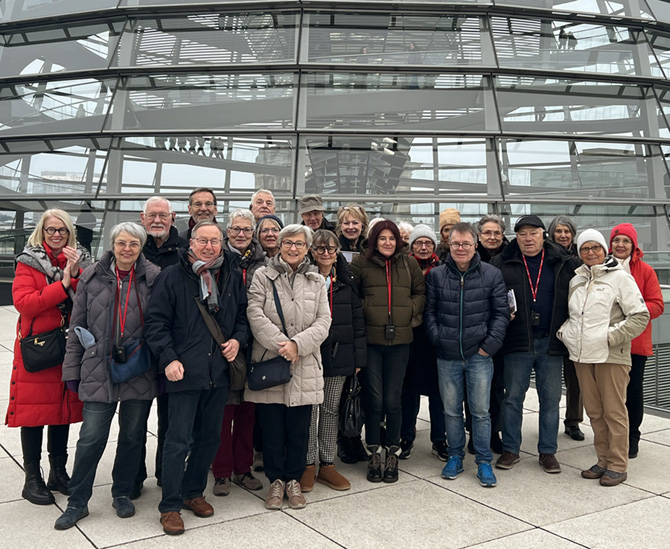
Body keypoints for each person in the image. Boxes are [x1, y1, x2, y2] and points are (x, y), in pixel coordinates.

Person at [145, 220, 249, 536]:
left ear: (222, 244)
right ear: (191, 243)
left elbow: (242, 317)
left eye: (214, 241)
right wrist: (169, 358)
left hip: (217, 371)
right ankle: (170, 506)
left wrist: (237, 340)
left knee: (210, 438)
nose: (208, 246)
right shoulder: (172, 277)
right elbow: (156, 323)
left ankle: (193, 493)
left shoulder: (230, 275)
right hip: (183, 372)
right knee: (178, 441)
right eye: (202, 240)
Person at [55, 222, 160, 529]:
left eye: (134, 244)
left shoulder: (153, 278)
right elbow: (77, 327)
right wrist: (71, 370)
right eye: (122, 243)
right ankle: (77, 501)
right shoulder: (92, 276)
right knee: (90, 438)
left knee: (132, 436)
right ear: (112, 245)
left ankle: (123, 492)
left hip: (139, 369)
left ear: (141, 248)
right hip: (98, 368)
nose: (127, 249)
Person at [8, 209, 90, 506]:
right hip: (38, 347)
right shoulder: (28, 263)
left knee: (62, 410)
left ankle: (58, 471)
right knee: (34, 414)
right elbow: (26, 304)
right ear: (41, 232)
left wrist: (76, 273)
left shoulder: (80, 260)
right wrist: (63, 284)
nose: (56, 235)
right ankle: (32, 479)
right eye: (51, 230)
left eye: (62, 231)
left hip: (68, 347)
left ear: (70, 233)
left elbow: (89, 300)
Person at [245, 224, 331, 510]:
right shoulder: (263, 276)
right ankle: (276, 481)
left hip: (305, 365)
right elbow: (254, 313)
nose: (293, 248)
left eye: (299, 243)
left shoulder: (317, 280)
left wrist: (298, 345)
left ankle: (293, 480)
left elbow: (323, 321)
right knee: (271, 429)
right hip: (271, 361)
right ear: (279, 245)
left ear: (307, 248)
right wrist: (284, 345)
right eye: (288, 243)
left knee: (299, 429)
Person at [558, 229, 649, 486]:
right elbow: (573, 315)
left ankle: (618, 465)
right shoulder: (576, 279)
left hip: (611, 355)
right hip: (582, 355)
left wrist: (610, 337)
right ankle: (602, 460)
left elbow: (639, 315)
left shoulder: (620, 277)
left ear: (604, 249)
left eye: (595, 247)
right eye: (584, 249)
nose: (590, 253)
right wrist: (566, 333)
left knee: (614, 411)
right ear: (579, 253)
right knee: (595, 412)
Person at [491, 215, 579, 474]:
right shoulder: (501, 263)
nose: (527, 238)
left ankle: (548, 451)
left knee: (550, 400)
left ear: (543, 235)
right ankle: (510, 449)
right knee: (513, 399)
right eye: (522, 234)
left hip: (550, 341)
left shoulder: (563, 262)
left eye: (533, 233)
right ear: (516, 237)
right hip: (517, 341)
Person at [425, 222, 509, 487]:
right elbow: (429, 312)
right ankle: (455, 456)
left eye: (466, 244)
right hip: (447, 355)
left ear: (476, 246)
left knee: (481, 412)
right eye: (456, 244)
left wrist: (488, 347)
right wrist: (438, 338)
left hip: (479, 355)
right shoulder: (436, 275)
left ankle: (484, 462)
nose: (461, 249)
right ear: (449, 246)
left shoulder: (491, 274)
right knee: (451, 411)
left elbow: (501, 314)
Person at [351, 220, 425, 483]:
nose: (387, 243)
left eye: (391, 238)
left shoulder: (409, 264)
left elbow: (420, 293)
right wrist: (368, 309)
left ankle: (392, 451)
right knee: (374, 399)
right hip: (371, 342)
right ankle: (373, 451)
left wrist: (408, 312)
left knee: (394, 400)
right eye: (382, 238)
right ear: (373, 240)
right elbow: (352, 296)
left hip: (400, 342)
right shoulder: (360, 264)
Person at [300, 230, 366, 493]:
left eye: (330, 249)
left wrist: (358, 357)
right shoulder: (302, 279)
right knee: (310, 411)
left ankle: (327, 463)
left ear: (337, 251)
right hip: (308, 356)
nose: (325, 253)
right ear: (311, 251)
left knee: (329, 410)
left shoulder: (347, 281)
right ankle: (307, 464)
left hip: (339, 356)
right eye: (319, 249)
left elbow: (358, 322)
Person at [210, 209, 266, 497]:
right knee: (223, 411)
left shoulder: (264, 263)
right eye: (236, 229)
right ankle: (221, 472)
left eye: (247, 229)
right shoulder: (217, 261)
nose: (241, 234)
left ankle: (243, 469)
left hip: (256, 345)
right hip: (224, 344)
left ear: (253, 233)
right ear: (227, 231)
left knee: (248, 411)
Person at [136, 196, 188, 497]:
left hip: (173, 349)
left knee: (172, 420)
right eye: (152, 215)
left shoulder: (184, 251)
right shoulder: (131, 246)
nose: (157, 220)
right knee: (136, 420)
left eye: (163, 215)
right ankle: (132, 477)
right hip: (137, 347)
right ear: (143, 218)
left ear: (173, 217)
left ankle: (166, 475)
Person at [609, 223, 664, 459]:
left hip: (636, 342)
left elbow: (657, 304)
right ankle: (612, 436)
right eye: (616, 240)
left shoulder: (645, 271)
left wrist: (632, 312)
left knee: (633, 391)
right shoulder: (603, 268)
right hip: (610, 341)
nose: (620, 245)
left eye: (625, 241)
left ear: (633, 245)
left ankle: (633, 436)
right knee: (610, 393)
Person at [399, 225, 447, 461]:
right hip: (412, 335)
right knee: (409, 391)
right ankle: (406, 437)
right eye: (419, 243)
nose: (424, 247)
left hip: (435, 337)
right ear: (412, 246)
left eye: (428, 242)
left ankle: (439, 439)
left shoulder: (443, 269)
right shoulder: (403, 267)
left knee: (439, 392)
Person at [470, 214, 509, 453]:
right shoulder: (468, 258)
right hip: (474, 332)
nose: (492, 237)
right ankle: (474, 434)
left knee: (496, 388)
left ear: (503, 235)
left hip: (501, 333)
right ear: (479, 236)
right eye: (487, 233)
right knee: (472, 389)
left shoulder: (512, 258)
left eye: (496, 233)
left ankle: (494, 433)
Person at [547, 215, 584, 442]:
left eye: (567, 231)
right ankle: (547, 420)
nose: (563, 235)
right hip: (551, 324)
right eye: (559, 231)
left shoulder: (581, 258)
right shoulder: (546, 256)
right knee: (548, 380)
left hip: (574, 325)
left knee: (575, 378)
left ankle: (573, 421)